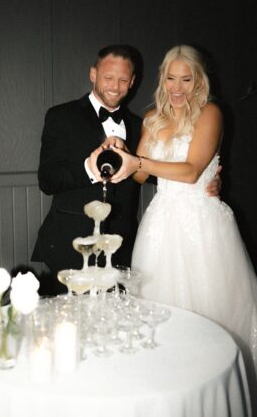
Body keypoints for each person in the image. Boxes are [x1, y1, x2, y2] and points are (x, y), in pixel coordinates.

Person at [110, 44, 257, 401]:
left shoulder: (211, 113)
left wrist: (138, 164)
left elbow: (192, 172)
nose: (177, 87)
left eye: (186, 79)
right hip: (160, 224)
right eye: (171, 78)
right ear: (163, 80)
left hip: (203, 227)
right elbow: (140, 177)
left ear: (198, 81)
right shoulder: (152, 118)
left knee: (211, 315)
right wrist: (123, 152)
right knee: (161, 317)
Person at [31, 44, 220, 292]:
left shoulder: (142, 124)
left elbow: (150, 172)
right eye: (108, 77)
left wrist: (203, 178)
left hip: (123, 248)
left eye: (122, 80)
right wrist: (88, 169)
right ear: (93, 74)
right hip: (70, 245)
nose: (115, 86)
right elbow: (47, 180)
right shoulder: (61, 116)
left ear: (132, 82)